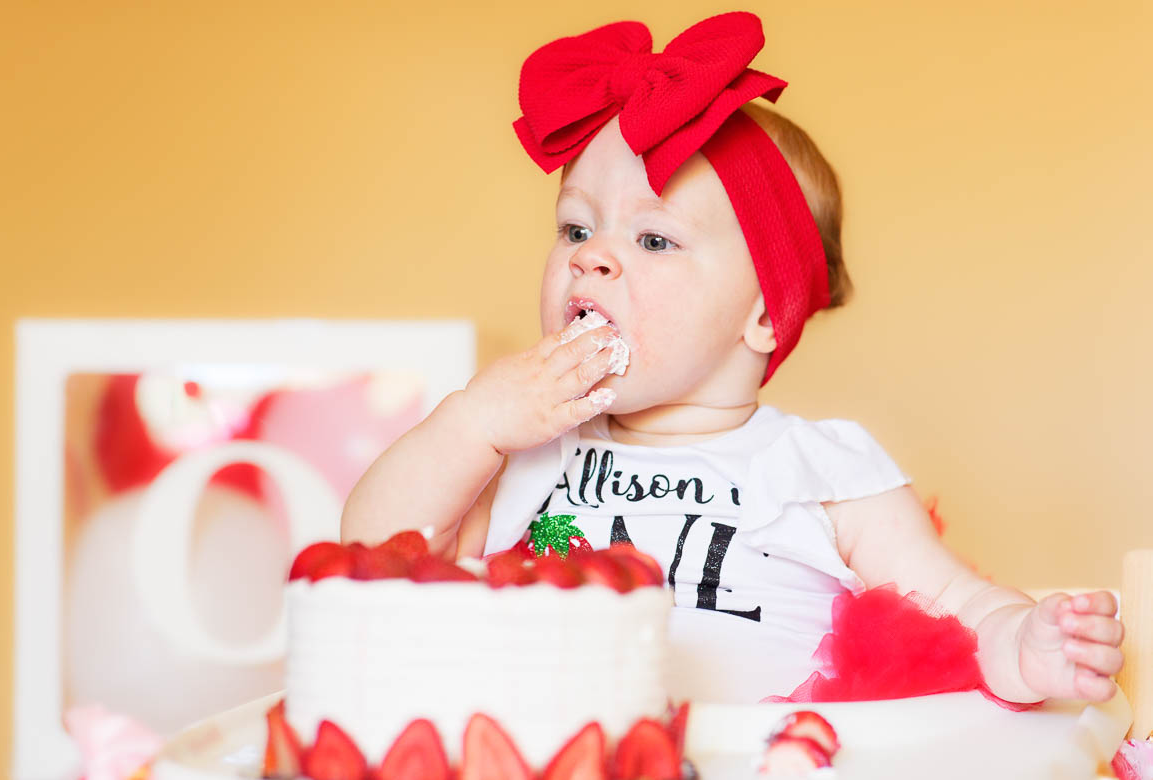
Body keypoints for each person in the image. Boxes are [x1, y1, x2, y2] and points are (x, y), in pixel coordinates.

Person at [341, 11, 1123, 705]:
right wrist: (473, 420)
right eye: (576, 230)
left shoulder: (824, 472)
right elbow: (369, 551)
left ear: (760, 314)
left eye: (653, 240)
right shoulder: (518, 451)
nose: (592, 260)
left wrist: (1025, 643)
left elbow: (955, 603)